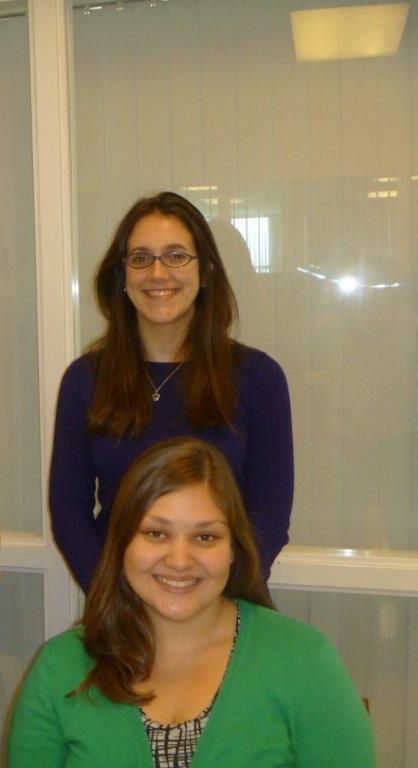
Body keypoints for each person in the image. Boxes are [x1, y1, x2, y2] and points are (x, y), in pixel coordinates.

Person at [9, 437, 375, 768]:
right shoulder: (60, 668)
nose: (180, 560)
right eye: (156, 533)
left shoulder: (305, 663)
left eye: (204, 536)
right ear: (122, 544)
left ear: (233, 549)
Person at [49, 191, 293, 591]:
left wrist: (212, 602)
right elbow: (68, 510)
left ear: (206, 271)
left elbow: (269, 514)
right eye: (141, 258)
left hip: (222, 603)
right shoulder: (85, 379)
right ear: (122, 276)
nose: (158, 273)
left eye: (176, 256)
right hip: (121, 610)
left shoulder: (258, 378)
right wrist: (115, 600)